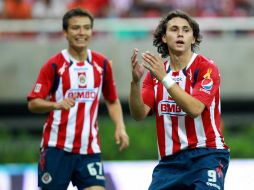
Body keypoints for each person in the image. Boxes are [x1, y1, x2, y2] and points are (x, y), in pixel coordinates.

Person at [27, 7, 129, 190]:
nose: (82, 33)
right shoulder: (53, 65)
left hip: (89, 149)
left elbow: (112, 100)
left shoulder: (101, 64)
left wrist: (120, 127)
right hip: (56, 149)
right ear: (65, 32)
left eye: (86, 27)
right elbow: (33, 103)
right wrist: (56, 104)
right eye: (76, 28)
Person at [129, 10, 230, 190]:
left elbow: (195, 109)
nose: (180, 33)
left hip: (207, 155)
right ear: (164, 38)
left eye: (186, 30)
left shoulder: (206, 68)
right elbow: (139, 114)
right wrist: (135, 83)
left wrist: (164, 78)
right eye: (174, 29)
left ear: (193, 38)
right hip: (170, 161)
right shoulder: (155, 73)